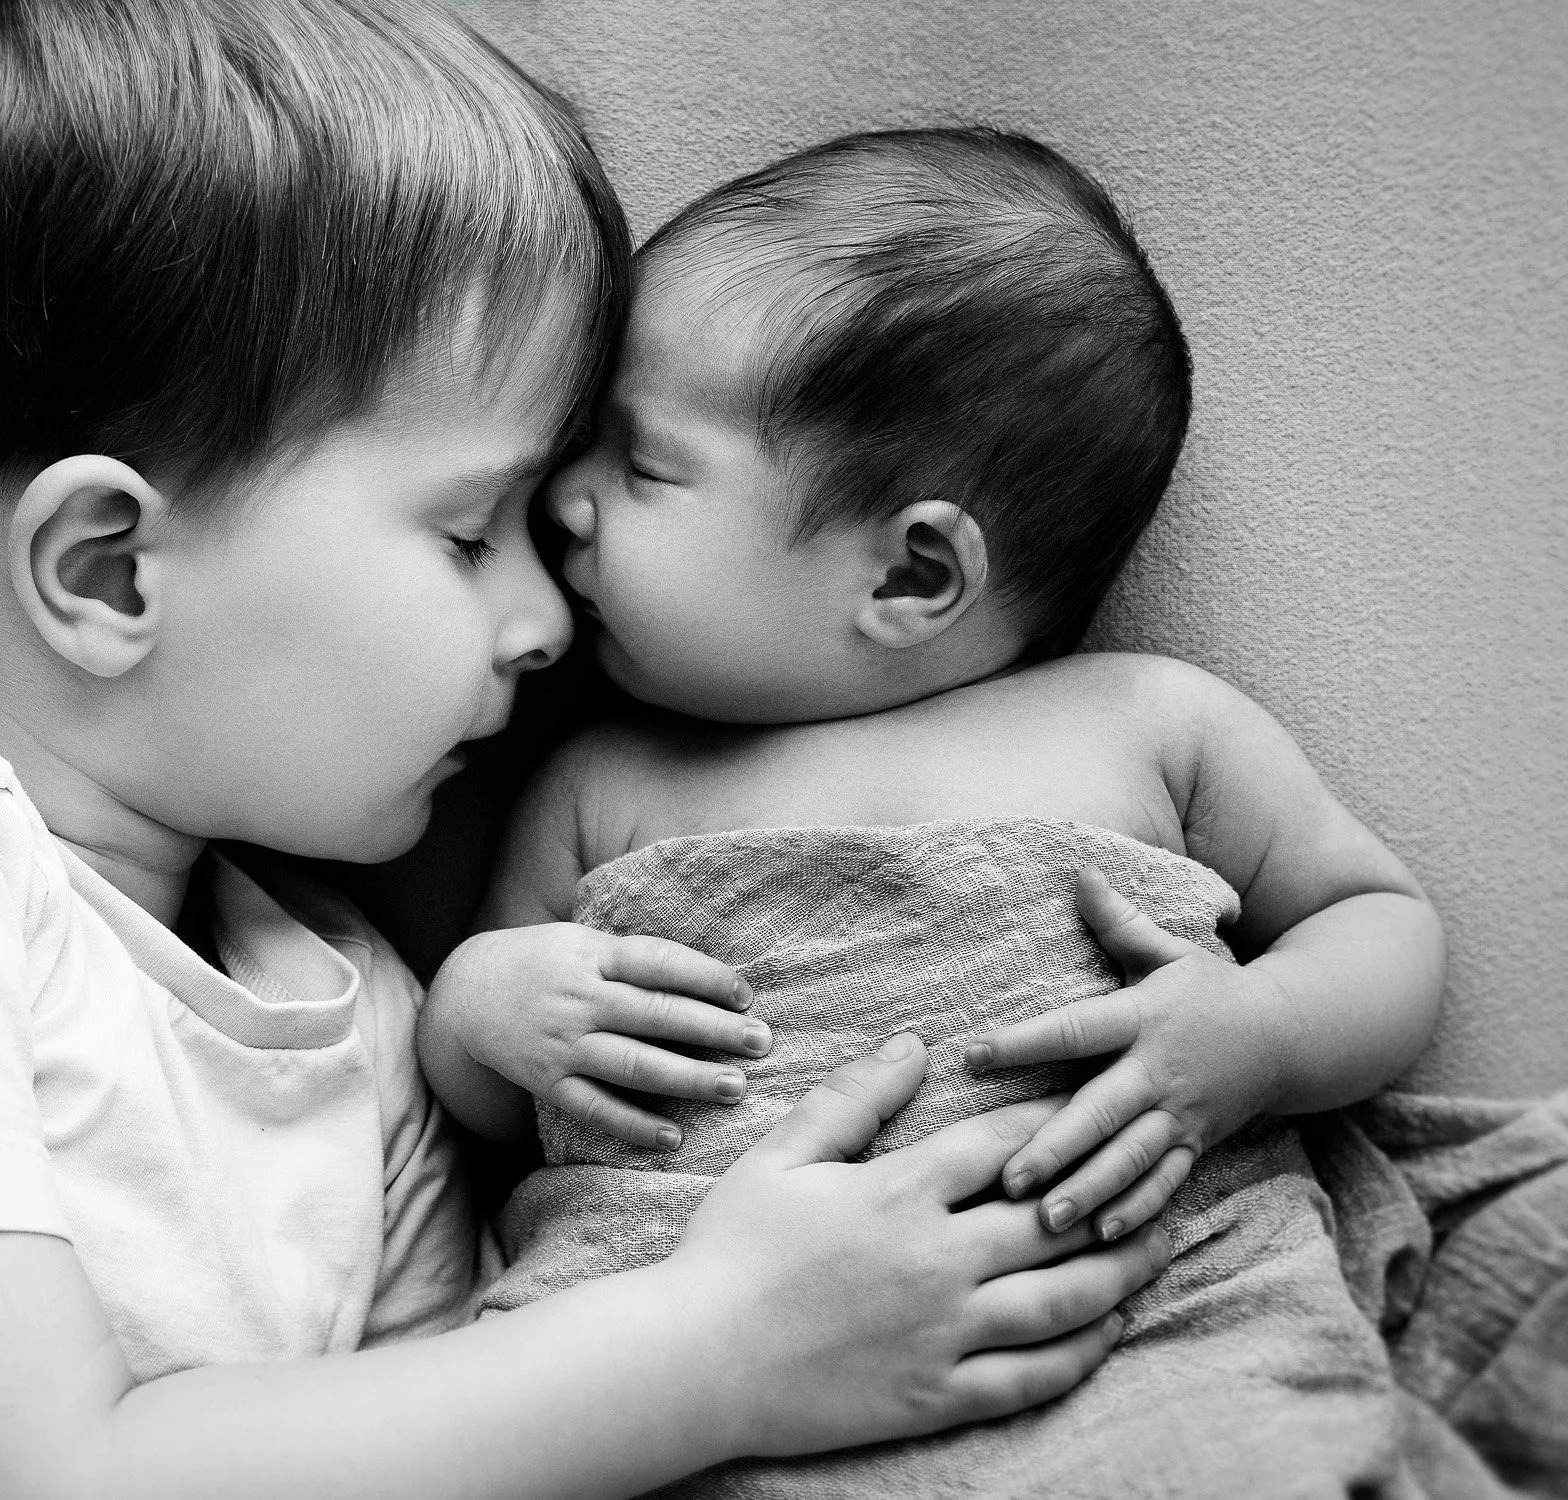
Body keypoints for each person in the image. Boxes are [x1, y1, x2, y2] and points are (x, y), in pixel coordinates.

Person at [0, 12, 1170, 1499]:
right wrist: (716, 1349)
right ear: (110, 571)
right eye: (471, 529)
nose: (548, 615)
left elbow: (461, 1437)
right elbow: (45, 1478)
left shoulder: (356, 1005)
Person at [416, 129, 1447, 1496]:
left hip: (1147, 1331)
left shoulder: (1149, 720)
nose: (564, 499)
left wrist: (1265, 1031)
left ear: (909, 571)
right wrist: (489, 1004)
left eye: (643, 463)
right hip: (720, 1387)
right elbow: (490, 1114)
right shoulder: (603, 779)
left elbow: (1381, 922)